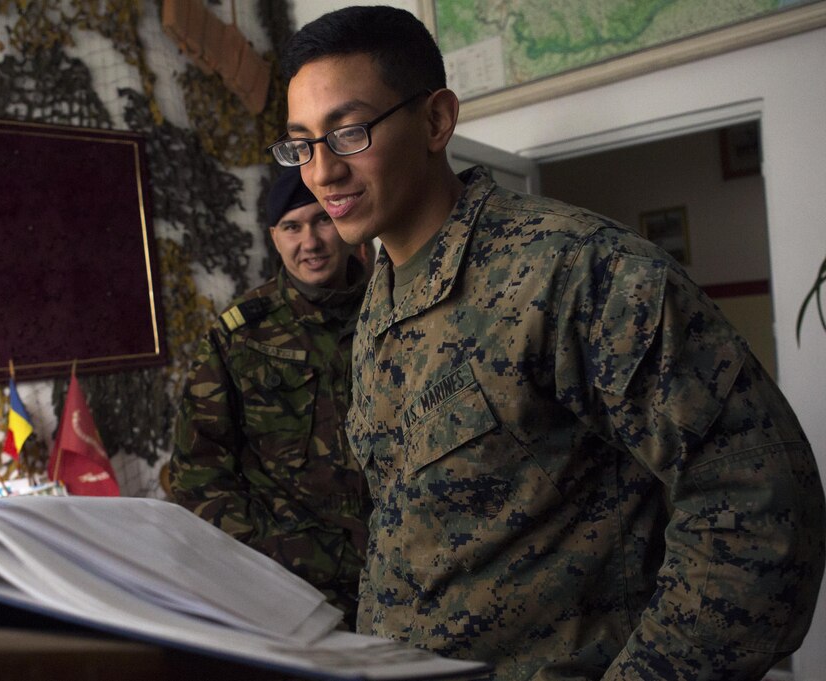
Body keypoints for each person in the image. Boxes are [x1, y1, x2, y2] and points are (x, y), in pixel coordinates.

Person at [276, 6, 826, 680]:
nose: (321, 170)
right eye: (301, 144)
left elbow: (759, 504)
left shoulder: (574, 270)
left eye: (349, 132)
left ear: (435, 121)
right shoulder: (382, 300)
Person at [169, 167, 371, 627]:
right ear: (273, 237)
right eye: (292, 227)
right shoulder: (239, 336)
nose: (311, 242)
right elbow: (197, 475)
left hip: (409, 576)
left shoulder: (397, 308)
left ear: (344, 221)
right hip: (295, 592)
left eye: (321, 220)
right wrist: (269, 554)